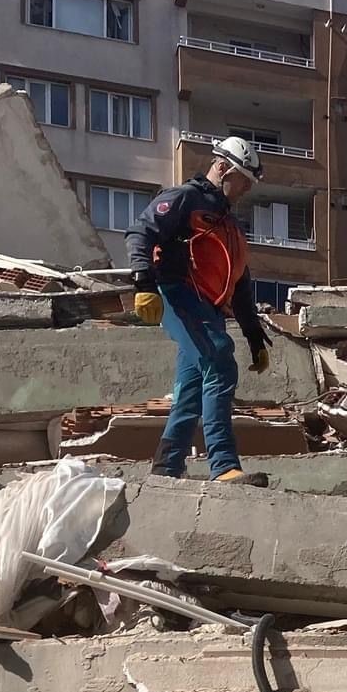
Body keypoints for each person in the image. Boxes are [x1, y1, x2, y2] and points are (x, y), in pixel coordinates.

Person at [126, 136, 272, 485]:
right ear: (222, 168)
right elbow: (140, 233)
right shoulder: (185, 199)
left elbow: (239, 285)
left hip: (208, 307)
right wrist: (144, 285)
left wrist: (254, 336)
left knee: (192, 388)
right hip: (178, 294)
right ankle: (223, 466)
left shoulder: (230, 227)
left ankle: (166, 468)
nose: (245, 191)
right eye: (243, 181)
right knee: (220, 361)